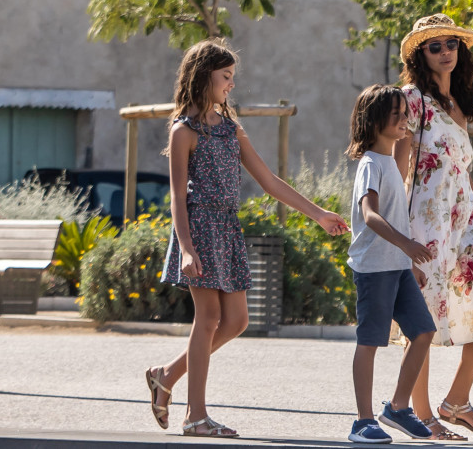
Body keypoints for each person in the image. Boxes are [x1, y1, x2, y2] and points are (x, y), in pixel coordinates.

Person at [143, 38, 348, 438]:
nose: (231, 84)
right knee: (208, 320)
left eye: (232, 77)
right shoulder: (183, 132)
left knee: (236, 321)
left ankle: (165, 375)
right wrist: (185, 247)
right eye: (226, 77)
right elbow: (177, 197)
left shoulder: (233, 129)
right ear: (205, 77)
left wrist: (318, 214)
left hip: (227, 228)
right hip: (199, 229)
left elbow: (269, 181)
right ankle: (195, 416)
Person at [394, 14, 473, 440]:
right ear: (419, 54)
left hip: (465, 222)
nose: (446, 51)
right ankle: (424, 415)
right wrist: (399, 233)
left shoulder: (459, 104)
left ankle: (456, 401)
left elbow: (459, 172)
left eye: (452, 44)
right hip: (424, 224)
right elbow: (399, 167)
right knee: (422, 320)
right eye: (435, 46)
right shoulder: (412, 99)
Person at [343, 84, 439, 443]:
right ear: (374, 120)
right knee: (370, 341)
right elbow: (370, 215)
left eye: (404, 113)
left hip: (398, 267)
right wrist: (408, 245)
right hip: (374, 269)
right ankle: (362, 421)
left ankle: (397, 408)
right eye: (395, 114)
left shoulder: (388, 163)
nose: (403, 119)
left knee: (423, 332)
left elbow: (398, 209)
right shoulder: (370, 164)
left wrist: (407, 259)